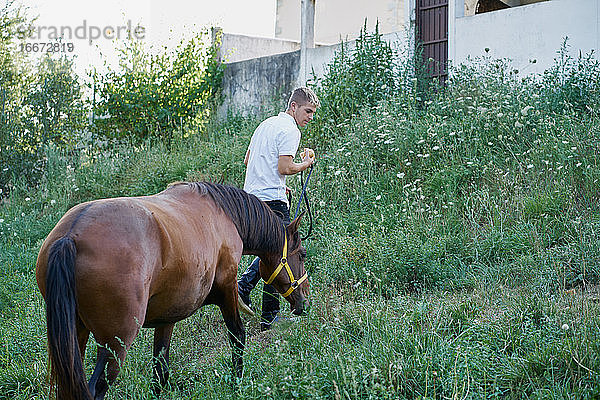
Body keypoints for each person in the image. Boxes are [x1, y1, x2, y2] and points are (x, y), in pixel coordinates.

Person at [238, 86, 319, 331]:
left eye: (313, 113)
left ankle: (246, 289)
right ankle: (267, 317)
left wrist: (277, 185)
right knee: (280, 255)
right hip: (273, 203)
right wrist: (306, 163)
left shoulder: (265, 125)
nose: (310, 117)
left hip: (250, 201)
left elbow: (248, 161)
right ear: (293, 106)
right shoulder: (291, 130)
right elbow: (284, 167)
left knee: (269, 252)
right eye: (308, 111)